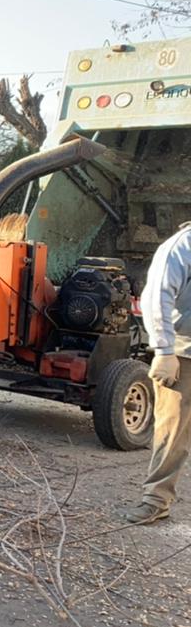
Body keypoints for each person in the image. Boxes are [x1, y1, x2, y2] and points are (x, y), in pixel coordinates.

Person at [126, 221, 191, 525]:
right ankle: (156, 500)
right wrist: (164, 351)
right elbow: (157, 297)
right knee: (172, 431)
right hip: (183, 352)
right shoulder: (182, 246)